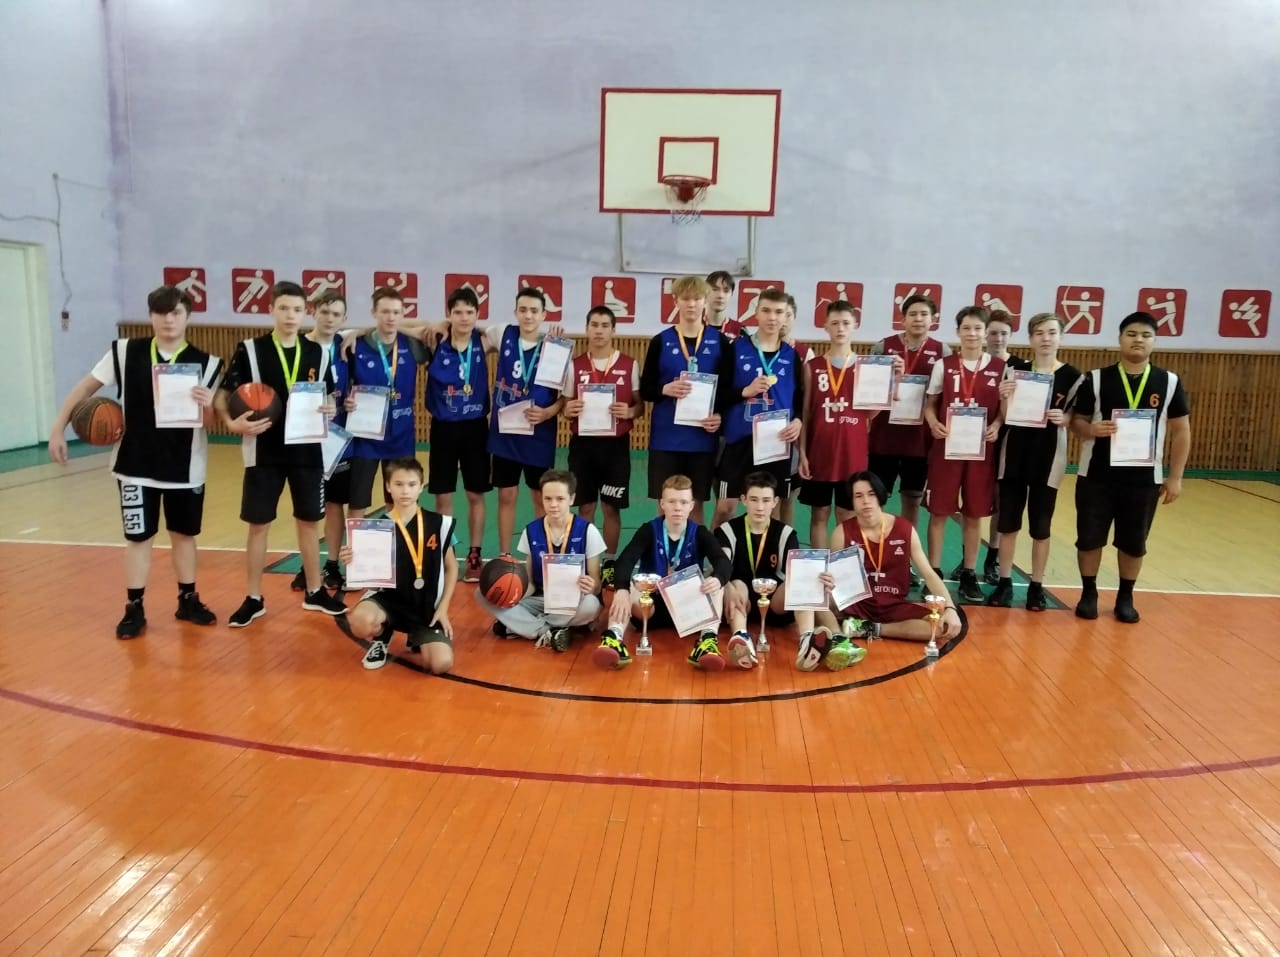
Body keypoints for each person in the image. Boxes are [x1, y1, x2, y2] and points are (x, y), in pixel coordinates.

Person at [48, 285, 223, 638]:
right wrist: (57, 429)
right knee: (139, 538)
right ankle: (134, 606)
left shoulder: (208, 363)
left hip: (185, 466)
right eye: (161, 312)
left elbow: (209, 422)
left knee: (184, 536)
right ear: (151, 316)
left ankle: (188, 599)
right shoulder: (125, 351)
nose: (168, 319)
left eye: (176, 313)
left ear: (188, 317)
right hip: (135, 465)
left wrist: (207, 406)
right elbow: (85, 388)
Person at [216, 279, 346, 626]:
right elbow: (224, 393)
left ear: (306, 313)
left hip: (307, 450)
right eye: (284, 308)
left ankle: (315, 591)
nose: (290, 315)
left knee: (309, 522)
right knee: (259, 525)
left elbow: (328, 396)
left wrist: (330, 408)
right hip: (264, 450)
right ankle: (253, 598)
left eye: (297, 309)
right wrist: (230, 423)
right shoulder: (251, 349)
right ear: (271, 309)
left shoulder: (318, 352)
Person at [1069, 311, 1191, 623]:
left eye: (1146, 335)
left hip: (1143, 480)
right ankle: (1089, 593)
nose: (1138, 340)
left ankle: (1126, 596)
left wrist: (1175, 477)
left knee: (1134, 542)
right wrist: (1090, 429)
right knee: (1089, 538)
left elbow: (1181, 431)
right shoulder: (1096, 379)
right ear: (1120, 339)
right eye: (1132, 334)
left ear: (1154, 342)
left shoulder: (1169, 382)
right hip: (1096, 476)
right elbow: (1077, 421)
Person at [716, 472, 858, 671]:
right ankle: (741, 638)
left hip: (776, 604)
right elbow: (720, 565)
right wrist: (728, 587)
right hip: (739, 603)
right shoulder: (727, 531)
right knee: (737, 584)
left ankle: (806, 640)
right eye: (754, 499)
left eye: (766, 500)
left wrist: (822, 581)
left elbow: (798, 574)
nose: (760, 507)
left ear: (775, 502)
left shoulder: (786, 533)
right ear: (743, 500)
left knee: (805, 578)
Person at [987, 313, 1082, 610]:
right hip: (1014, 455)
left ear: (1060, 337)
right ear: (1030, 339)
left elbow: (1075, 417)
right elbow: (1005, 415)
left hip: (1048, 458)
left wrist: (1064, 417)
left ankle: (1036, 587)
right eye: (1039, 333)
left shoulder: (1073, 376)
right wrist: (1004, 396)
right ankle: (1004, 582)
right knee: (1008, 524)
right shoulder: (1015, 370)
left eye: (1051, 332)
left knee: (1041, 526)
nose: (1045, 338)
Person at [594, 474, 733, 671]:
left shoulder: (700, 533)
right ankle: (613, 637)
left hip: (687, 610)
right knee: (629, 587)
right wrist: (621, 590)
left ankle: (707, 642)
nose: (677, 507)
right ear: (662, 504)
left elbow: (723, 562)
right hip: (650, 609)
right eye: (672, 501)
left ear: (691, 506)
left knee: (717, 585)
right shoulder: (649, 530)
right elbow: (625, 560)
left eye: (683, 502)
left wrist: (718, 579)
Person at [812, 472, 961, 650]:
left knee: (940, 626)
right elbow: (833, 580)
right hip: (856, 604)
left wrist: (950, 608)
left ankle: (871, 628)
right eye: (858, 496)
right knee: (815, 603)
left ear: (880, 496)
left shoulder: (904, 529)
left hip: (893, 605)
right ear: (852, 501)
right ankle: (839, 639)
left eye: (871, 494)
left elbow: (928, 574)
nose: (866, 501)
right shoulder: (842, 532)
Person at [339, 457, 457, 673]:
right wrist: (351, 560)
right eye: (399, 484)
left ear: (421, 487)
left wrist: (443, 608)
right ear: (388, 486)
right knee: (360, 623)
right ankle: (382, 635)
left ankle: (417, 636)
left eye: (411, 485)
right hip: (388, 602)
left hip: (425, 608)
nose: (405, 491)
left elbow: (452, 567)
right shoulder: (374, 527)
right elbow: (366, 576)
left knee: (441, 664)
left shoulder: (438, 523)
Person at [923, 306, 1005, 603]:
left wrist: (996, 425)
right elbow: (930, 405)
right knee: (939, 512)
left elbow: (1003, 412)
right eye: (966, 328)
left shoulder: (1000, 367)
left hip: (981, 451)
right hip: (947, 448)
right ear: (958, 332)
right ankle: (933, 573)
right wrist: (933, 423)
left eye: (977, 328)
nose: (972, 334)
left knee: (973, 513)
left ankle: (969, 573)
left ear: (985, 333)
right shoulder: (943, 365)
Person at [561, 304, 643, 587]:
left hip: (615, 446)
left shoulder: (629, 364)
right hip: (582, 445)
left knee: (610, 507)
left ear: (613, 330)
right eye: (594, 325)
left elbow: (640, 405)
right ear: (587, 329)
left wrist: (630, 412)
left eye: (604, 325)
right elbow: (565, 406)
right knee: (585, 507)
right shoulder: (575, 366)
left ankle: (609, 562)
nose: (599, 331)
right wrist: (569, 409)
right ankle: (586, 561)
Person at [476, 469, 604, 649]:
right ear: (541, 499)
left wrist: (591, 586)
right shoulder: (531, 531)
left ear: (572, 499)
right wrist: (513, 595)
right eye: (548, 499)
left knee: (591, 605)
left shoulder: (587, 531)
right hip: (541, 600)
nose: (553, 505)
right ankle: (549, 630)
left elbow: (597, 585)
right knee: (482, 593)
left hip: (574, 601)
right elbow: (530, 583)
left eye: (560, 499)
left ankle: (525, 627)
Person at [712, 288, 803, 528]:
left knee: (771, 510)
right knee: (725, 508)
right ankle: (715, 553)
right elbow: (718, 395)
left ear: (786, 316)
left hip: (776, 442)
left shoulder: (792, 355)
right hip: (740, 441)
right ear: (756, 313)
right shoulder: (735, 349)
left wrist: (798, 421)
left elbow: (799, 398)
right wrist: (745, 391)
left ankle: (769, 554)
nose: (772, 317)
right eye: (766, 311)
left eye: (779, 312)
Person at [866, 295, 950, 550]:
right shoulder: (883, 347)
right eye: (912, 314)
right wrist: (888, 376)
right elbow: (868, 389)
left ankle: (904, 551)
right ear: (903, 319)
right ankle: (877, 549)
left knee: (912, 500)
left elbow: (943, 398)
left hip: (919, 441)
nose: (918, 319)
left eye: (924, 314)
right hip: (883, 439)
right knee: (877, 499)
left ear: (933, 320)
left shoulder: (943, 353)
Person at [639, 275, 725, 525]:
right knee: (665, 503)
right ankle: (662, 549)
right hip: (666, 437)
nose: (691, 304)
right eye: (686, 299)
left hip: (702, 438)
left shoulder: (719, 342)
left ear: (705, 301)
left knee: (694, 504)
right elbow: (646, 389)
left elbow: (727, 389)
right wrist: (665, 389)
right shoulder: (661, 341)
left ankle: (693, 550)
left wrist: (719, 415)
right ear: (675, 301)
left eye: (697, 299)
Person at [488, 287, 566, 554]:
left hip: (538, 435)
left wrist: (547, 412)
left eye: (534, 311)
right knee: (506, 495)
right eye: (523, 310)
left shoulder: (555, 347)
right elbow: (470, 337)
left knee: (540, 497)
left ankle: (539, 554)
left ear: (544, 315)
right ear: (515, 312)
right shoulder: (502, 333)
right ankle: (504, 554)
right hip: (506, 433)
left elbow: (566, 397)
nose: (528, 315)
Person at [425, 286, 492, 583]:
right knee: (443, 496)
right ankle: (446, 553)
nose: (464, 318)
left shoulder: (483, 341)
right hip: (443, 427)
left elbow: (515, 332)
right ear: (448, 314)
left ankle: (475, 554)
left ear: (477, 315)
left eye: (469, 312)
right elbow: (398, 326)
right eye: (457, 312)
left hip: (475, 427)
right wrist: (435, 324)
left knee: (475, 494)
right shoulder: (435, 340)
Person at [345, 286, 428, 519]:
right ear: (373, 313)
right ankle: (356, 544)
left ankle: (398, 542)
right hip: (365, 437)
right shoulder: (355, 345)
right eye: (384, 312)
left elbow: (429, 328)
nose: (390, 317)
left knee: (400, 501)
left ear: (403, 314)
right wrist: (346, 401)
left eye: (396, 312)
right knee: (358, 502)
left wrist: (398, 327)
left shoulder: (412, 345)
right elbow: (342, 383)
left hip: (400, 437)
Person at [797, 300, 874, 548]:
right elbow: (806, 412)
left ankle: (844, 562)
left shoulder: (866, 367)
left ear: (855, 325)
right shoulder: (813, 367)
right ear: (825, 326)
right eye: (835, 323)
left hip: (852, 453)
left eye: (846, 323)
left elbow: (872, 413)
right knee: (819, 513)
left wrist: (889, 391)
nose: (840, 328)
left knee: (847, 514)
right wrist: (802, 453)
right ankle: (818, 562)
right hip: (820, 452)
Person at [291, 290, 352, 592]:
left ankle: (331, 565)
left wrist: (350, 401)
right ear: (313, 312)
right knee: (307, 509)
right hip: (305, 439)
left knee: (334, 503)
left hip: (338, 440)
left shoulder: (348, 345)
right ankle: (309, 565)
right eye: (325, 312)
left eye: (336, 314)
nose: (330, 319)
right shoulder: (299, 347)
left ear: (344, 319)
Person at [969, 309, 1028, 582]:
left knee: (1000, 502)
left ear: (1011, 335)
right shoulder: (974, 363)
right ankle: (967, 560)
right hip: (974, 440)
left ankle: (991, 558)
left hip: (1008, 442)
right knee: (974, 504)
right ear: (984, 334)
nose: (998, 338)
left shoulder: (1021, 368)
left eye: (1003, 333)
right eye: (993, 333)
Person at [706, 270, 742, 338]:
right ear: (705, 292)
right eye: (715, 289)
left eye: (726, 291)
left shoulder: (740, 330)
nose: (720, 295)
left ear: (731, 294)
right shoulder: (694, 326)